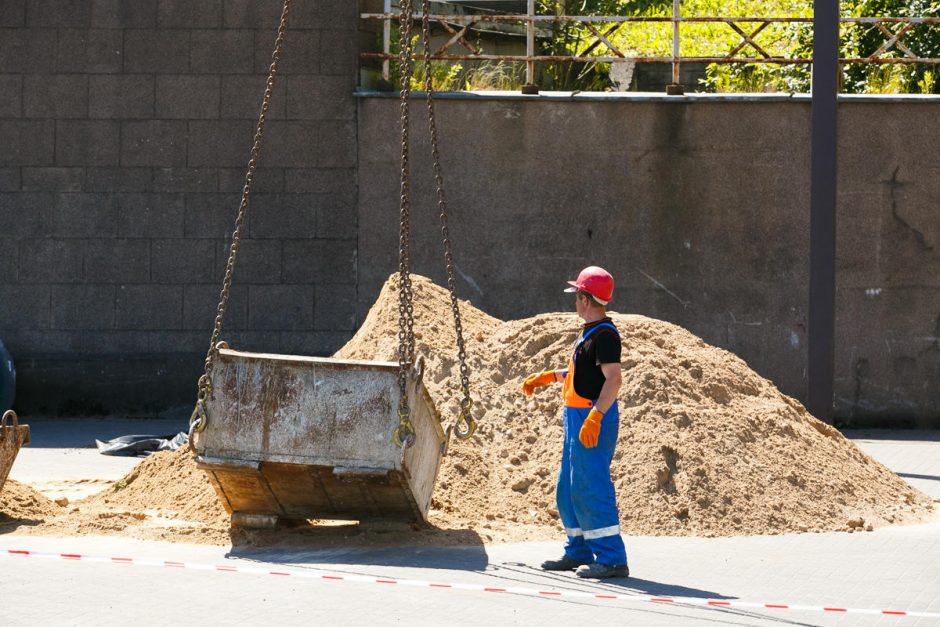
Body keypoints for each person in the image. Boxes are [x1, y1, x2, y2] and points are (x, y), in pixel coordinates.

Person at [521, 266, 629, 579]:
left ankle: (611, 558)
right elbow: (586, 375)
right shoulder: (590, 333)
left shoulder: (606, 336)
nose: (575, 302)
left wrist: (596, 416)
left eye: (577, 295)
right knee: (568, 488)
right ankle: (579, 549)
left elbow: (613, 379)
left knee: (590, 486)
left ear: (585, 298)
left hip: (591, 417)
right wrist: (550, 377)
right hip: (576, 416)